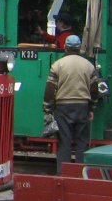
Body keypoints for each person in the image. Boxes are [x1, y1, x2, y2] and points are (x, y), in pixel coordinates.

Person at [43, 34, 100, 173]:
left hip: (63, 107)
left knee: (64, 142)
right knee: (82, 143)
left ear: (65, 47)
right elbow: (94, 90)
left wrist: (47, 109)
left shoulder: (57, 65)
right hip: (82, 107)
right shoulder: (89, 65)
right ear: (79, 48)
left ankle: (63, 176)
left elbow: (50, 90)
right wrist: (92, 108)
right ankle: (82, 175)